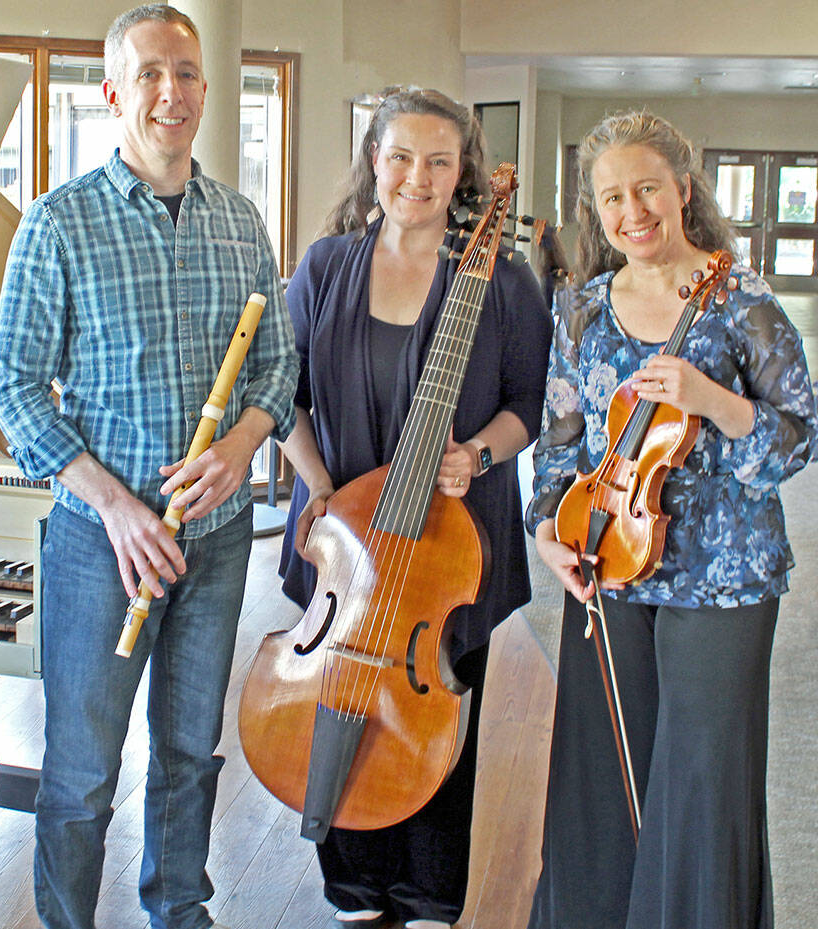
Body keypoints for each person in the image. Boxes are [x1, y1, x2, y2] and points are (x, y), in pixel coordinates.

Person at [0, 5, 297, 928]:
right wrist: (119, 510)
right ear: (114, 92)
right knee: (82, 769)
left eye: (188, 73)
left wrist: (242, 448)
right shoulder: (57, 224)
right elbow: (16, 392)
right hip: (101, 544)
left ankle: (179, 907)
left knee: (190, 751)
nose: (173, 92)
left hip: (215, 530)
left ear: (207, 89)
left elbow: (277, 364)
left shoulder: (241, 222)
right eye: (152, 74)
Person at [525, 111, 817, 929]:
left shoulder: (743, 302)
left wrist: (716, 404)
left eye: (647, 186)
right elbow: (559, 442)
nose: (633, 210)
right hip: (610, 562)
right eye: (612, 197)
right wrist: (549, 533)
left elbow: (800, 436)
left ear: (683, 189)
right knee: (601, 779)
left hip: (724, 581)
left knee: (699, 783)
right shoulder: (581, 308)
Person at [276, 87, 552, 929]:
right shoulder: (325, 265)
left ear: (462, 170)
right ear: (374, 161)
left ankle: (431, 896)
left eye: (438, 160)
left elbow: (526, 403)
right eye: (401, 157)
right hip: (342, 540)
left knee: (436, 713)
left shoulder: (501, 282)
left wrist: (479, 454)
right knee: (339, 700)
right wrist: (317, 481)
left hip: (447, 542)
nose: (417, 177)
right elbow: (280, 394)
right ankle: (354, 889)